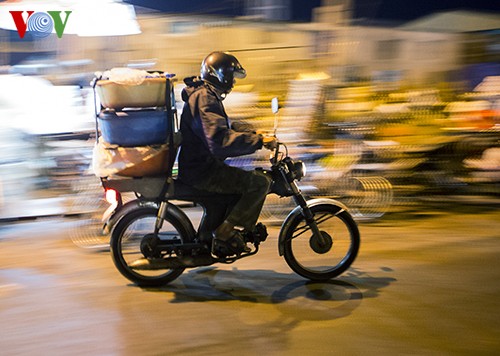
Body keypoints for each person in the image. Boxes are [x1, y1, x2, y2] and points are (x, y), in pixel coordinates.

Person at [178, 51, 277, 257]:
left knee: (235, 187)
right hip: (203, 170)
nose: (233, 82)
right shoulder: (205, 98)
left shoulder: (205, 95)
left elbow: (223, 129)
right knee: (259, 183)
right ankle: (225, 232)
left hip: (201, 166)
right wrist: (257, 141)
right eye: (232, 76)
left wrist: (254, 134)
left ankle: (209, 239)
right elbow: (219, 141)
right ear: (220, 75)